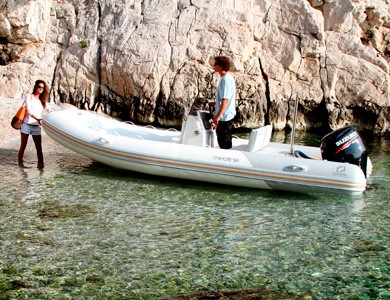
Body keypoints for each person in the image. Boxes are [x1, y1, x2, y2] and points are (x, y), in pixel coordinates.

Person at [18, 80, 51, 169]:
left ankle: (41, 167)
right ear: (35, 87)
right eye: (39, 87)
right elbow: (29, 110)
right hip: (26, 125)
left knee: (39, 148)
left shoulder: (42, 100)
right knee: (23, 146)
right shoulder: (29, 96)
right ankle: (20, 165)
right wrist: (38, 119)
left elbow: (49, 110)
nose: (41, 89)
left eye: (43, 88)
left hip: (36, 126)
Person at [210, 56, 236, 149]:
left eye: (216, 64)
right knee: (225, 139)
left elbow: (225, 100)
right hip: (226, 115)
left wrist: (218, 116)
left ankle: (226, 157)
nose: (214, 65)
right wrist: (215, 104)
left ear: (221, 66)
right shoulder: (226, 78)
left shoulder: (225, 80)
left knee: (223, 142)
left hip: (224, 117)